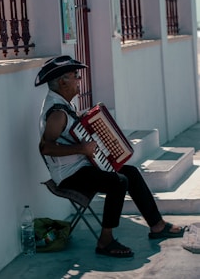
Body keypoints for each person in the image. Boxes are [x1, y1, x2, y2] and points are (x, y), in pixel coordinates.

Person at [35, 55, 184, 258]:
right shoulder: (57, 113)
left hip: (81, 168)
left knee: (130, 172)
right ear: (62, 81)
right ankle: (105, 241)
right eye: (75, 76)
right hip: (69, 176)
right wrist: (82, 149)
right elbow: (45, 148)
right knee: (118, 182)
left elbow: (68, 132)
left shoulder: (63, 105)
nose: (79, 80)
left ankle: (157, 225)